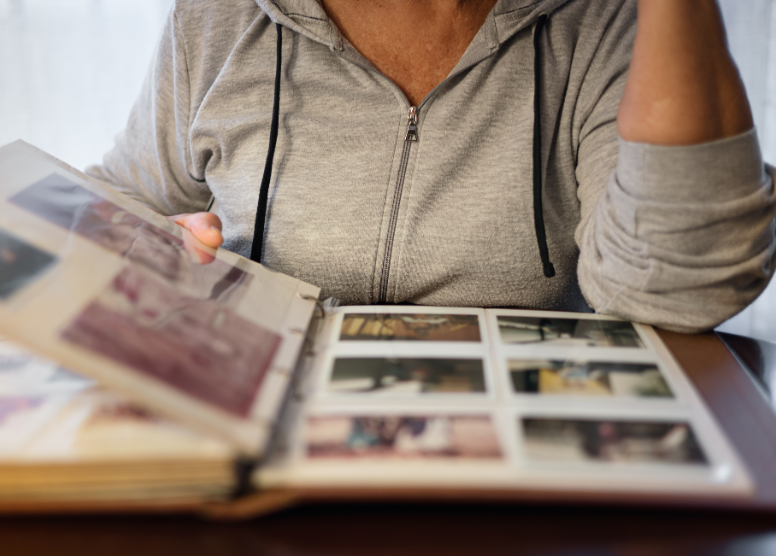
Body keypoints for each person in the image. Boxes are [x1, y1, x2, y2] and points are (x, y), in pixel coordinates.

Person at [87, 0, 776, 332]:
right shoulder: (219, 18)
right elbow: (119, 205)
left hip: (517, 481)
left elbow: (681, 290)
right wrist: (153, 247)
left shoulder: (607, 21)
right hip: (264, 471)